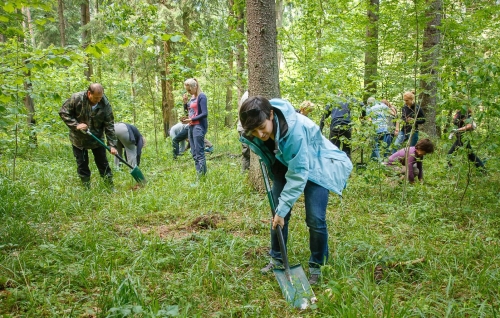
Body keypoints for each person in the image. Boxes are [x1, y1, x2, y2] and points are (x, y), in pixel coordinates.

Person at [239, 96, 352, 285]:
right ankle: (277, 258)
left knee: (315, 218)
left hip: (317, 166)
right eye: (254, 131)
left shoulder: (294, 131)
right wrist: (281, 210)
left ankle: (318, 265)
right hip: (287, 163)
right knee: (278, 215)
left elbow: (299, 173)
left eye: (262, 128)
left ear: (271, 114)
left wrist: (283, 209)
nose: (260, 134)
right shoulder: (258, 126)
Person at [59, 83, 117, 189]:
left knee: (103, 163)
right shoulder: (76, 98)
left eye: (100, 97)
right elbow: (64, 112)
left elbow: (109, 125)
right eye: (96, 98)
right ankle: (86, 188)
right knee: (82, 164)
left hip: (97, 138)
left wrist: (112, 145)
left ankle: (109, 187)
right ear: (89, 93)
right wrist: (76, 125)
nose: (98, 100)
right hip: (79, 139)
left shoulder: (104, 103)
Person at [319, 92, 359, 159]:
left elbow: (324, 117)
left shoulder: (332, 102)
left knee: (333, 148)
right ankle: (347, 166)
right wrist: (364, 117)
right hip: (347, 126)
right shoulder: (348, 101)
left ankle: (333, 165)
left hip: (335, 126)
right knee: (346, 149)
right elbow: (361, 104)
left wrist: (320, 130)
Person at [182, 78, 209, 179]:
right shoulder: (192, 97)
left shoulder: (202, 96)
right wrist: (185, 103)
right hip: (191, 126)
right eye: (187, 90)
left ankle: (202, 177)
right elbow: (188, 112)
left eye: (189, 90)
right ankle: (199, 175)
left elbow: (204, 113)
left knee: (199, 152)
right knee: (194, 152)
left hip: (199, 126)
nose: (188, 92)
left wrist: (191, 119)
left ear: (195, 86)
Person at [237, 91, 250, 171]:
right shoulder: (247, 96)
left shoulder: (247, 94)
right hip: (244, 128)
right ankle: (244, 171)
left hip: (246, 127)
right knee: (247, 152)